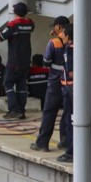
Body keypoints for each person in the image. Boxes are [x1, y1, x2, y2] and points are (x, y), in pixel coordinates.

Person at [0, 2, 35, 119]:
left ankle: (14, 109)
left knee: (8, 84)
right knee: (21, 86)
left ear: (15, 12)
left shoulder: (12, 25)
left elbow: (0, 38)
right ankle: (21, 111)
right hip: (26, 60)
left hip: (14, 61)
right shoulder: (30, 23)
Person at [31, 15, 69, 153]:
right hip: (69, 83)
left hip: (55, 82)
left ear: (58, 27)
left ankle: (42, 143)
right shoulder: (73, 40)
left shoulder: (53, 43)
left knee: (49, 112)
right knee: (67, 112)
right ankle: (65, 142)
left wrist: (53, 38)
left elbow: (46, 61)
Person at [57, 24, 73, 163]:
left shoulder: (69, 50)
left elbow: (71, 72)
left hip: (70, 90)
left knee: (69, 120)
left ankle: (70, 152)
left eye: (63, 34)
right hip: (72, 89)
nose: (61, 36)